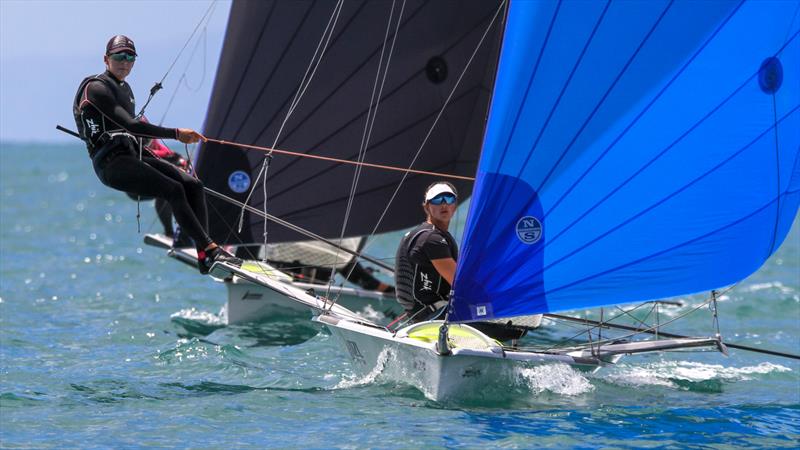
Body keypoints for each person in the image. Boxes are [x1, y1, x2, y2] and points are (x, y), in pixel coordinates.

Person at [73, 35, 240, 274]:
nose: (125, 62)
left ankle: (204, 253)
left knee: (193, 185)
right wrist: (176, 133)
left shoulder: (125, 89)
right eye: (119, 56)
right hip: (111, 164)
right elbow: (131, 125)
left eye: (130, 57)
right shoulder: (96, 88)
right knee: (172, 190)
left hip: (132, 155)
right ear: (106, 59)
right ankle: (211, 249)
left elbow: (132, 129)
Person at [394, 182, 526, 340]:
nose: (444, 204)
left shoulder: (423, 233)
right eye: (437, 200)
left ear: (455, 205)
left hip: (422, 314)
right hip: (434, 317)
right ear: (426, 206)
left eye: (449, 199)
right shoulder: (431, 239)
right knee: (516, 329)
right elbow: (460, 285)